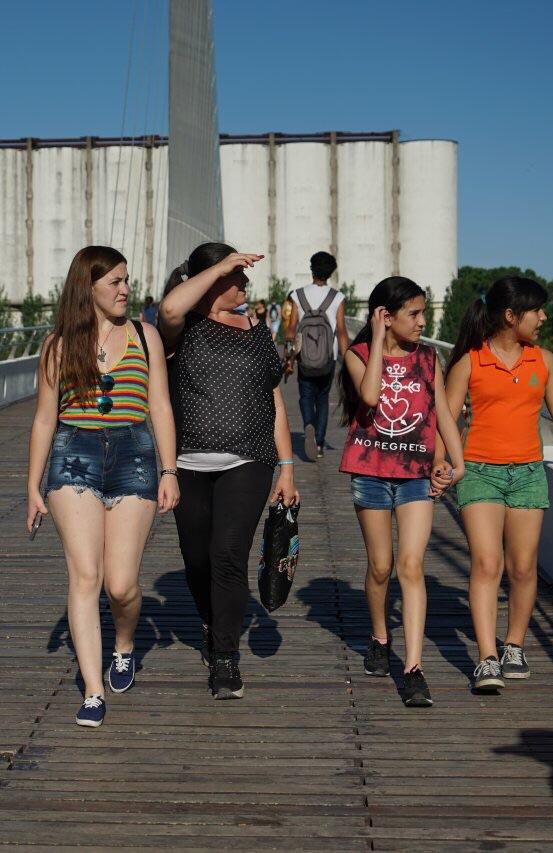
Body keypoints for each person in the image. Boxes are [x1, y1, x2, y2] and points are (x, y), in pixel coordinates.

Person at [442, 276, 553, 692]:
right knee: (488, 564)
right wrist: (442, 462)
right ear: (511, 316)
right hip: (479, 471)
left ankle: (514, 645)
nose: (543, 317)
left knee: (523, 568)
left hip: (528, 473)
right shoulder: (469, 362)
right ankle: (486, 658)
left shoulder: (543, 360)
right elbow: (446, 419)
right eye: (536, 310)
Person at [26, 246, 179, 728]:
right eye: (114, 281)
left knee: (121, 584)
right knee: (85, 577)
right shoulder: (57, 345)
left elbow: (159, 406)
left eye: (126, 280)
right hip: (74, 455)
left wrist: (170, 470)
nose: (124, 289)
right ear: (87, 287)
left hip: (134, 454)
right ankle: (92, 690)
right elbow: (45, 419)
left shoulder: (144, 335)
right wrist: (32, 486)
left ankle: (125, 644)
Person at [157, 242, 300, 700]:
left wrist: (287, 467)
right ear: (214, 277)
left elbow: (273, 398)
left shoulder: (258, 327)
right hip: (187, 463)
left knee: (228, 555)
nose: (245, 282)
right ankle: (210, 621)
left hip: (249, 459)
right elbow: (171, 304)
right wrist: (220, 267)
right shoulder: (183, 327)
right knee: (197, 559)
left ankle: (225, 656)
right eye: (236, 276)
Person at [339, 277, 465, 707]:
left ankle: (413, 668)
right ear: (386, 316)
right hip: (370, 473)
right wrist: (376, 338)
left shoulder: (429, 358)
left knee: (411, 566)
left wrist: (455, 459)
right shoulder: (357, 355)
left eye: (422, 312)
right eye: (413, 313)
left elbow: (443, 412)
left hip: (415, 475)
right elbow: (371, 396)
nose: (422, 321)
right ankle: (379, 634)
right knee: (381, 566)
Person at [286, 252, 349, 460]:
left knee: (305, 396)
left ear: (311, 269)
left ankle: (308, 425)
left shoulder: (297, 295)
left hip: (305, 357)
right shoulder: (337, 297)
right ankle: (320, 443)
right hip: (327, 358)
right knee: (322, 398)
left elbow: (292, 328)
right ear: (331, 272)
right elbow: (341, 330)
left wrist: (289, 357)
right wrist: (347, 359)